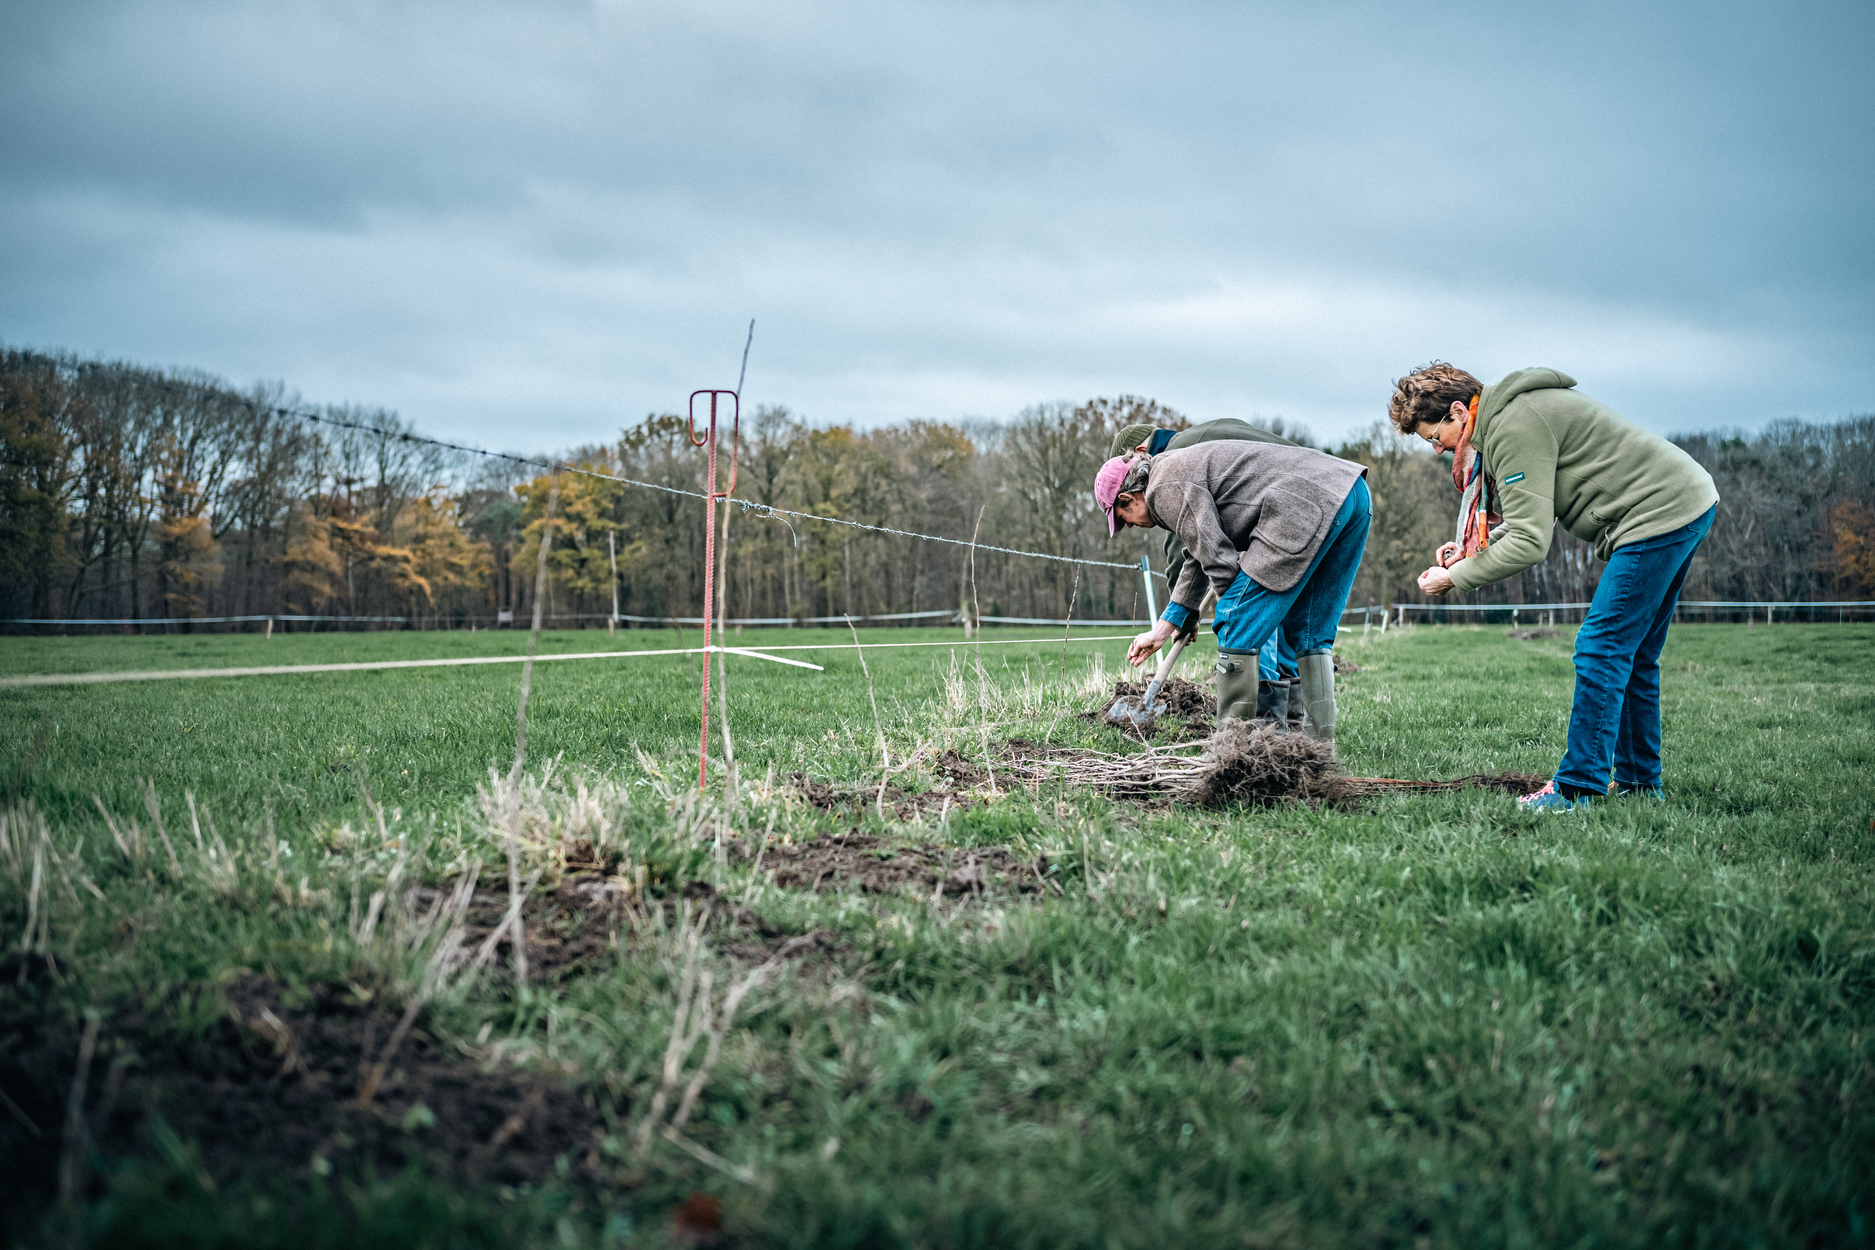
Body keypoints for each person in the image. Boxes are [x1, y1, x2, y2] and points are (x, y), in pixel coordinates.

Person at [1395, 363, 1719, 812]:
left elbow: (1530, 543)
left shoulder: (1513, 426)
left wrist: (1456, 577)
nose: (1436, 450)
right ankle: (1640, 786)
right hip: (1684, 501)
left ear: (1457, 411)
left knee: (1600, 647)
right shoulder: (1508, 416)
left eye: (1435, 437)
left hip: (1657, 513)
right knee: (1635, 654)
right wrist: (1469, 557)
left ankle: (1578, 787)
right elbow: (1531, 518)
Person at [1094, 440, 1370, 741]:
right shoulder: (1172, 469)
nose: (1130, 527)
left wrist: (1236, 615)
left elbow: (1217, 560)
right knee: (1309, 633)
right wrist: (1164, 628)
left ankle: (1231, 754)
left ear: (1128, 498)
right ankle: (1317, 755)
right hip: (1350, 492)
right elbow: (1199, 553)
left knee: (1234, 619)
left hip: (1304, 504)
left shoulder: (1163, 488)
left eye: (1123, 519)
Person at [1107, 418, 1303, 723]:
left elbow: (1185, 544)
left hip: (1283, 509)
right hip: (1304, 500)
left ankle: (1264, 728)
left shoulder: (1171, 465)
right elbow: (1201, 543)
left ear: (1140, 450)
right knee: (1282, 619)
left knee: (1248, 615)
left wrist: (1185, 615)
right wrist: (1179, 615)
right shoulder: (1194, 439)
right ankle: (1290, 728)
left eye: (1126, 463)